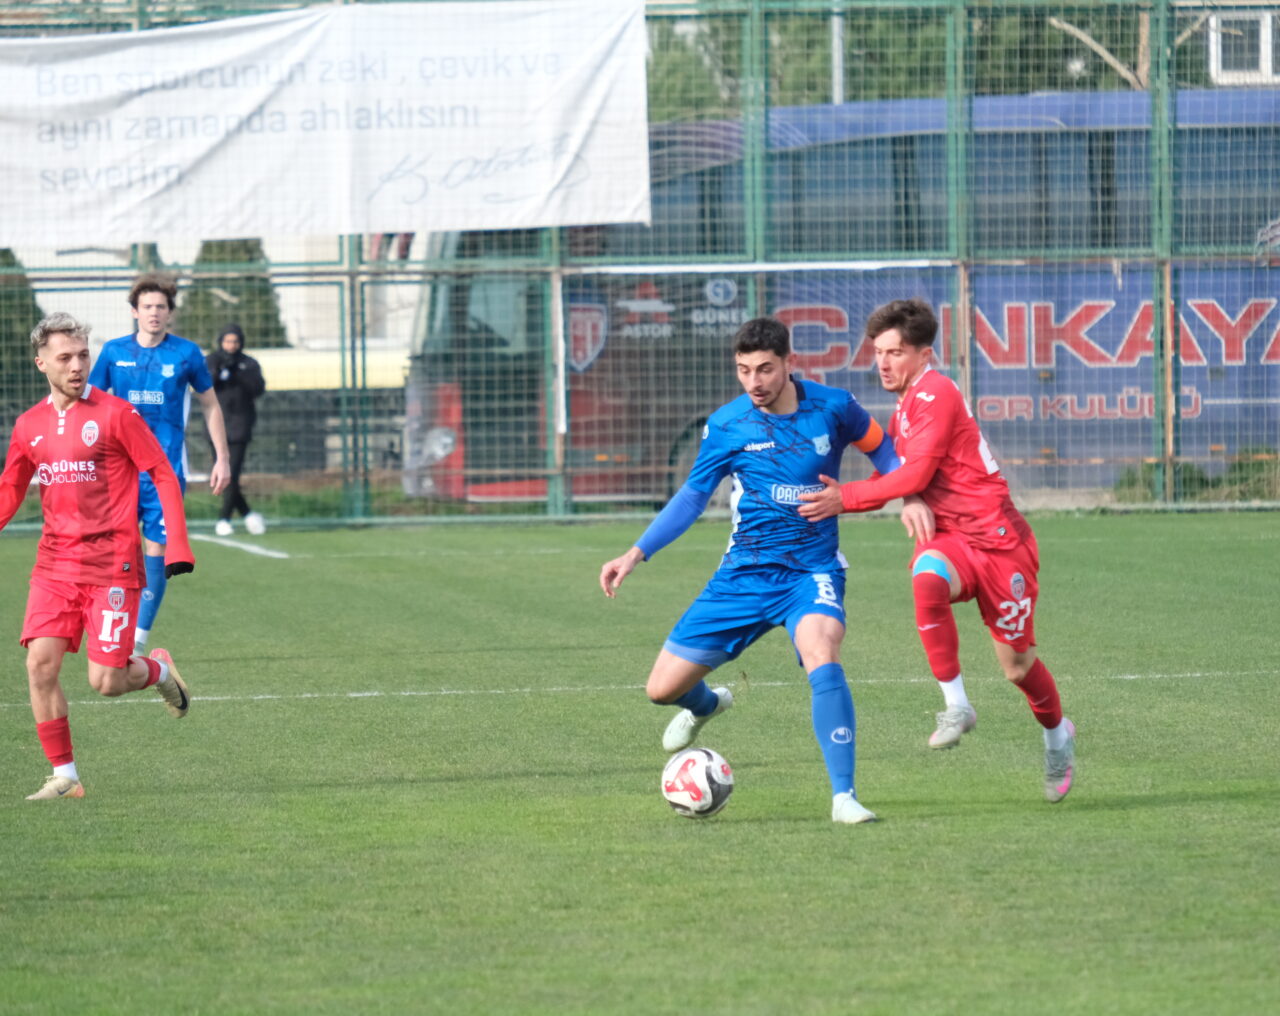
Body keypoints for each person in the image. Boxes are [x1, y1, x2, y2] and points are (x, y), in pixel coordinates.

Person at [599, 316, 910, 825]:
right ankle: (705, 707)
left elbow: (889, 456)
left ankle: (844, 797)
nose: (754, 382)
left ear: (790, 363)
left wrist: (865, 499)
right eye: (744, 370)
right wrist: (635, 553)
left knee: (821, 653)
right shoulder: (727, 424)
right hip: (742, 577)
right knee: (661, 690)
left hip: (810, 572)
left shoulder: (836, 408)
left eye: (765, 369)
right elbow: (692, 497)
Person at [797, 298, 1076, 803]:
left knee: (1017, 667)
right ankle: (957, 705)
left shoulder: (937, 392)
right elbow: (905, 472)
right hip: (954, 541)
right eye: (878, 352)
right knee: (926, 579)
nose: (883, 362)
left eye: (895, 352)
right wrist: (893, 496)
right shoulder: (906, 406)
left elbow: (917, 472)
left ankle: (1058, 736)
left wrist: (848, 498)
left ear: (925, 354)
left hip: (1001, 545)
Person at [0, 313, 196, 801]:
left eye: (83, 355)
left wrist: (177, 543)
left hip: (112, 564)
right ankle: (65, 776)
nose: (76, 365)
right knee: (39, 666)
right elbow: (10, 490)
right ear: (41, 362)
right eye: (65, 357)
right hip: (54, 565)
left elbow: (163, 474)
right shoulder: (29, 426)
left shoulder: (116, 415)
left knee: (107, 682)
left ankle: (157, 671)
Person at [88, 274, 229, 653]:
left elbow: (210, 404)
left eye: (161, 307)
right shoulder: (114, 352)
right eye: (147, 306)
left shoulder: (186, 354)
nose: (154, 313)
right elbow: (91, 407)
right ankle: (109, 625)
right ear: (134, 311)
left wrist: (222, 457)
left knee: (156, 552)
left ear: (170, 313)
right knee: (114, 549)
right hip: (118, 471)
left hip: (164, 472)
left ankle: (136, 641)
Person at [205, 323, 267, 536]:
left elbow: (258, 388)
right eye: (227, 341)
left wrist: (238, 374)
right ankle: (248, 514)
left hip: (240, 426)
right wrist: (219, 370)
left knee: (232, 473)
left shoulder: (248, 363)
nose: (231, 346)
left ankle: (224, 519)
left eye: (235, 342)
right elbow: (204, 387)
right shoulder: (212, 360)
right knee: (220, 474)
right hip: (216, 427)